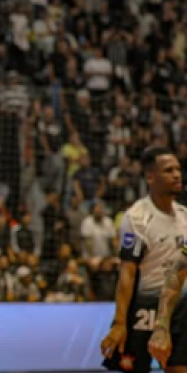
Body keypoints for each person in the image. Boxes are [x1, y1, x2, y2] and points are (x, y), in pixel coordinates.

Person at [100, 146, 187, 373]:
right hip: (142, 310)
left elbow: (182, 269)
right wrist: (119, 323)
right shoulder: (137, 218)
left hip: (178, 309)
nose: (177, 175)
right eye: (168, 170)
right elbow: (127, 272)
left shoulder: (185, 218)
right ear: (150, 177)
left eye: (178, 169)